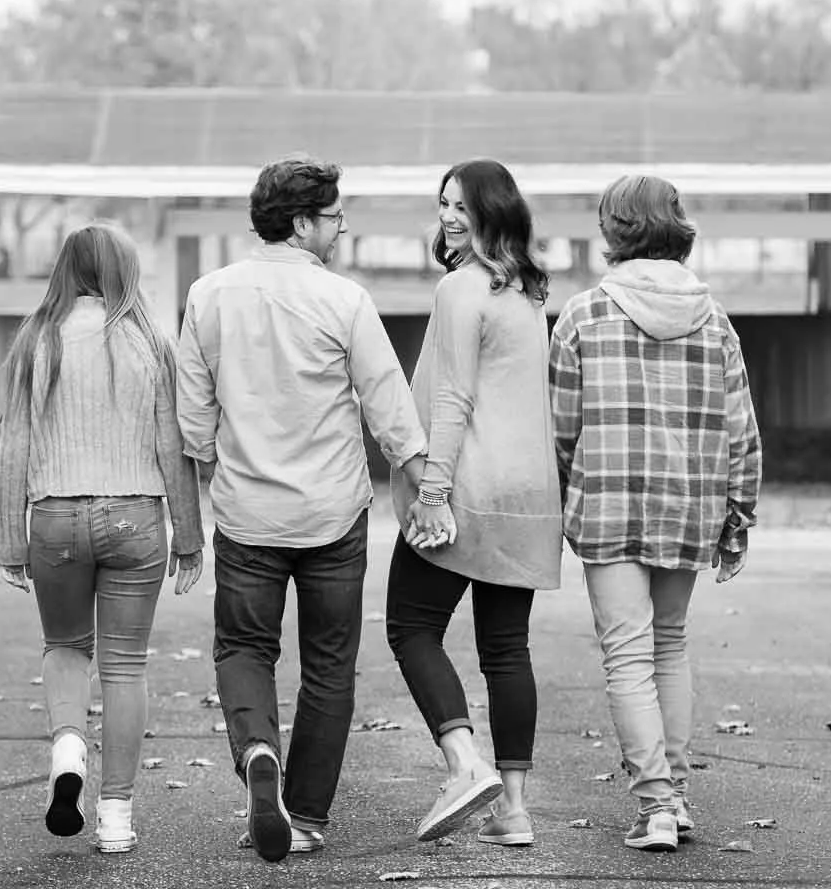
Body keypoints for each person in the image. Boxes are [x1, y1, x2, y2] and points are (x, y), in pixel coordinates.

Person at [176, 155, 427, 863]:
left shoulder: (208, 296)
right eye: (333, 217)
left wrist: (218, 467)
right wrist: (424, 483)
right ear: (300, 223)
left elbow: (193, 423)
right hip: (331, 514)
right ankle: (308, 814)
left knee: (245, 648)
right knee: (328, 663)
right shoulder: (343, 300)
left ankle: (259, 751)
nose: (340, 229)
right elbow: (389, 405)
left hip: (248, 514)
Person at [548, 175, 762, 853]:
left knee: (627, 655)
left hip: (608, 503)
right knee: (669, 642)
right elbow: (742, 428)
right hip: (689, 502)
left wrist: (556, 500)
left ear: (614, 231)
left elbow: (558, 426)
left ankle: (655, 808)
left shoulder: (583, 314)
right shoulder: (715, 319)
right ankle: (677, 795)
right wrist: (738, 513)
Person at [0, 222, 205, 854]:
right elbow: (173, 444)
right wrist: (189, 534)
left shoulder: (36, 339)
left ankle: (67, 753)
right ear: (123, 273)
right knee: (124, 665)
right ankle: (116, 819)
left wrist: (11, 538)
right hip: (136, 520)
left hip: (54, 519)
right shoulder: (148, 342)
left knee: (65, 647)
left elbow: (16, 446)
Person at [387, 158, 563, 846]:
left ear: (495, 208)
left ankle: (464, 766)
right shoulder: (526, 291)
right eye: (443, 205)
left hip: (466, 488)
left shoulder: (462, 289)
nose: (449, 216)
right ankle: (512, 810)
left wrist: (432, 490)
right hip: (527, 494)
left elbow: (453, 398)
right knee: (506, 649)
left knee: (410, 627)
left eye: (462, 204)